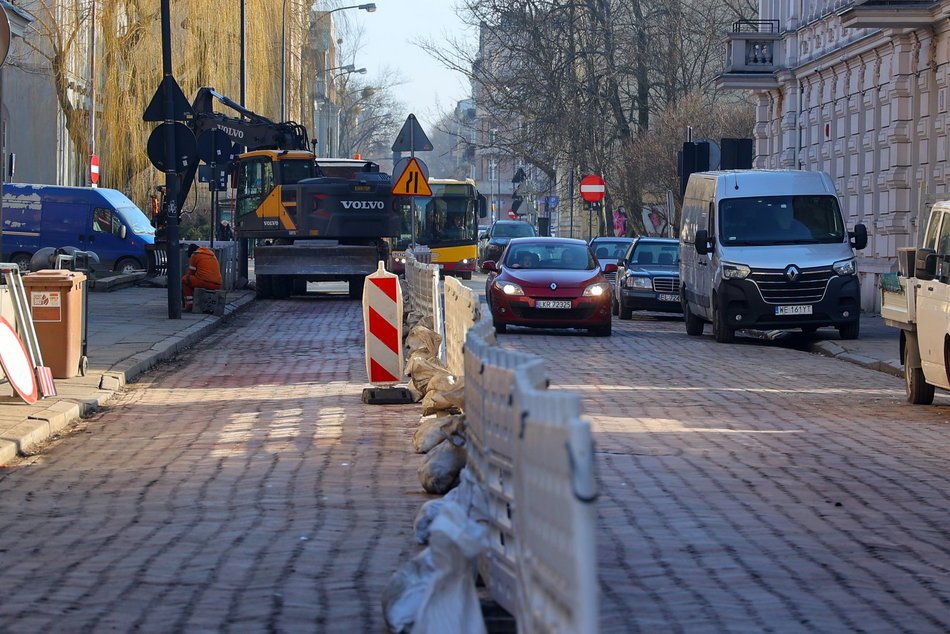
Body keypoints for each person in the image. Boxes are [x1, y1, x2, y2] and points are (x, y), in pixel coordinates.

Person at [182, 243, 222, 311]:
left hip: (205, 282)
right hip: (218, 284)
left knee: (185, 279)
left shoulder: (195, 255)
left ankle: (190, 305)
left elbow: (191, 273)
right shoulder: (211, 254)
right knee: (194, 280)